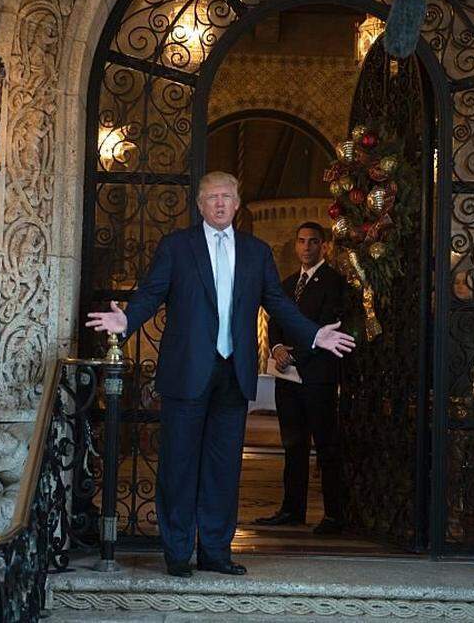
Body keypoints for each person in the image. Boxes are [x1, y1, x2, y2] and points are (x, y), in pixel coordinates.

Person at [86, 171, 355, 578]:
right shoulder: (177, 246)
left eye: (227, 196)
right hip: (186, 374)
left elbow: (278, 304)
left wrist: (315, 334)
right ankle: (177, 552)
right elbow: (151, 293)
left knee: (223, 467)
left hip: (234, 374)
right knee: (178, 465)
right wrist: (127, 322)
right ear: (199, 205)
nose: (219, 203)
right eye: (211, 197)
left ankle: (214, 551)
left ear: (237, 202)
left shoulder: (256, 252)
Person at [256, 222, 348, 534]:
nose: (306, 247)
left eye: (312, 242)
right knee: (292, 445)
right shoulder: (288, 283)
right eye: (301, 241)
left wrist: (295, 353)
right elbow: (276, 320)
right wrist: (278, 348)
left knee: (325, 446)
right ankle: (292, 509)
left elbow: (329, 325)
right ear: (295, 246)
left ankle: (335, 515)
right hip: (287, 378)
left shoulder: (335, 282)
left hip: (317, 377)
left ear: (323, 246)